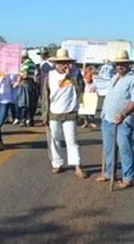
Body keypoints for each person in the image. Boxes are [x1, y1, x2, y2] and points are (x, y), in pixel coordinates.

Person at [96, 50, 134, 189]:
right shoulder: (115, 77)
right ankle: (108, 173)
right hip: (107, 119)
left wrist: (123, 114)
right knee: (108, 149)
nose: (120, 66)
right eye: (118, 64)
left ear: (128, 64)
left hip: (122, 121)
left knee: (124, 149)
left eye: (123, 64)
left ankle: (128, 177)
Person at [41, 48, 87, 179]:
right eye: (60, 63)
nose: (63, 65)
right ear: (56, 64)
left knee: (71, 140)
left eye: (66, 62)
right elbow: (45, 96)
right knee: (54, 139)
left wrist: (71, 77)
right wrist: (45, 115)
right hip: (54, 112)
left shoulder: (76, 73)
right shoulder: (50, 75)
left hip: (70, 112)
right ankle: (57, 163)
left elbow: (81, 90)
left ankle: (77, 165)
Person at [16, 51, 38, 127]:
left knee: (24, 103)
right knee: (30, 103)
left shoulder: (26, 64)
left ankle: (23, 120)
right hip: (31, 84)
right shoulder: (32, 63)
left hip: (25, 83)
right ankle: (31, 120)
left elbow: (24, 75)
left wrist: (18, 73)